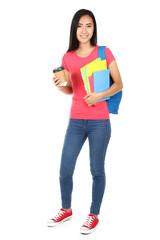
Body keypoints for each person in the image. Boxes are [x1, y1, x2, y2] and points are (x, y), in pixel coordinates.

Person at [47, 9, 123, 234]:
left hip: (100, 121)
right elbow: (72, 90)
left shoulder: (104, 52)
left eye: (88, 25)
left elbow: (119, 83)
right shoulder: (67, 57)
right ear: (74, 29)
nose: (84, 30)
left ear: (93, 29)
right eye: (80, 25)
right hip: (76, 121)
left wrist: (99, 96)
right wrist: (60, 87)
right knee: (64, 170)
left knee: (96, 170)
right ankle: (66, 210)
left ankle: (93, 215)